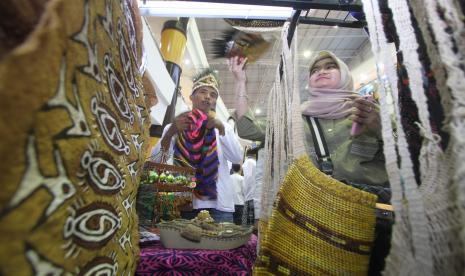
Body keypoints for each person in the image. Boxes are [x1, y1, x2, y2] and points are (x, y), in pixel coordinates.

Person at [230, 51, 391, 275]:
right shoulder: (296, 119)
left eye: (329, 66)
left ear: (344, 74)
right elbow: (249, 129)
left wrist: (381, 129)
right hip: (314, 223)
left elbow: (409, 159)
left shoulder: (370, 113)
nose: (321, 72)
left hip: (366, 223)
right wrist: (240, 82)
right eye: (314, 70)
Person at [151, 69, 243, 223]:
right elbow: (156, 161)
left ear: (215, 102)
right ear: (191, 97)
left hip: (219, 207)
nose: (208, 97)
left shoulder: (224, 127)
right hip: (184, 204)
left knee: (220, 246)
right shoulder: (176, 126)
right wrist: (170, 133)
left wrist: (221, 130)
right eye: (203, 92)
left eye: (213, 95)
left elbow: (237, 157)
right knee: (182, 247)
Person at [241, 149, 257, 226]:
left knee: (248, 224)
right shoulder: (250, 162)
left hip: (250, 196)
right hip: (251, 196)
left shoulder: (249, 162)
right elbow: (248, 178)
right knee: (250, 225)